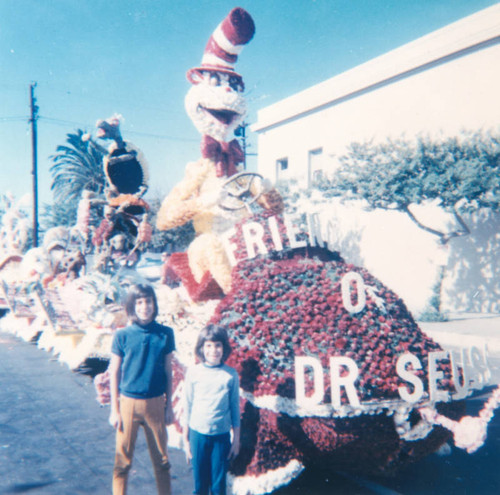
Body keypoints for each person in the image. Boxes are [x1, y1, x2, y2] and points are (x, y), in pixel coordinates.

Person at [109, 284, 175, 495]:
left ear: (154, 304)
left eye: (148, 301)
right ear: (132, 306)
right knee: (122, 462)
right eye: (139, 302)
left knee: (162, 462)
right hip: (128, 404)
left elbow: (168, 371)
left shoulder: (165, 334)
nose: (144, 306)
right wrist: (114, 409)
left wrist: (169, 406)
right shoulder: (123, 336)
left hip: (155, 403)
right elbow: (115, 372)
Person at [183, 324, 241, 495]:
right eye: (208, 345)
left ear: (224, 348)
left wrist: (236, 439)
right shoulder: (193, 372)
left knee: (218, 486)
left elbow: (235, 408)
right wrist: (186, 440)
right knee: (200, 486)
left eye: (218, 345)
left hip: (221, 438)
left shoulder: (230, 375)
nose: (213, 350)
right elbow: (187, 404)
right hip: (197, 436)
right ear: (201, 348)